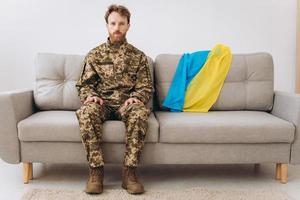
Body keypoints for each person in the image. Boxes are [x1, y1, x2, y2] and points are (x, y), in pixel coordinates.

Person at [75, 4, 153, 195]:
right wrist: (90, 96)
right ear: (107, 25)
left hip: (126, 105)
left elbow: (145, 86)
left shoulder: (139, 56)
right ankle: (96, 172)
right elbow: (84, 85)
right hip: (102, 104)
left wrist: (136, 97)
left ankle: (130, 173)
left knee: (140, 113)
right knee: (86, 112)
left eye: (121, 23)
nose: (117, 27)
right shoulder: (94, 55)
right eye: (113, 23)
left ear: (128, 25)